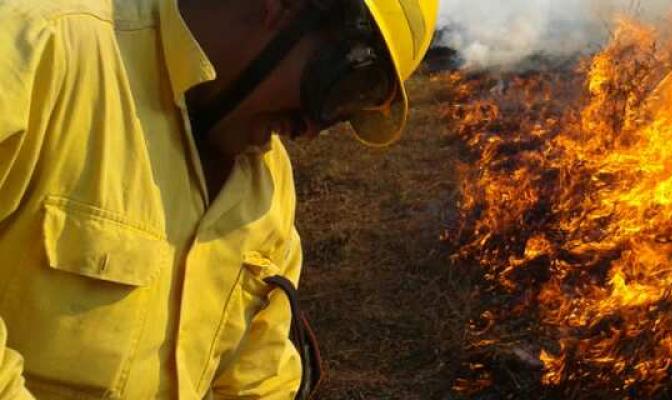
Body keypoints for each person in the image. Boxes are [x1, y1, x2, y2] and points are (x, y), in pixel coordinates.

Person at [0, 0, 438, 398]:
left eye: (349, 113)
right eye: (345, 87)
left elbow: (258, 379)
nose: (313, 128)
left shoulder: (268, 191)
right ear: (281, 7)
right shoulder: (39, 52)